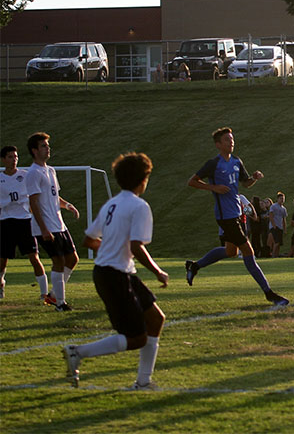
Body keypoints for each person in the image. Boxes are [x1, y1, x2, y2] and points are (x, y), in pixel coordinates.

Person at [62, 152, 169, 389]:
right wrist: (158, 271)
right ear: (143, 180)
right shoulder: (139, 206)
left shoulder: (112, 203)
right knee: (136, 337)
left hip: (118, 272)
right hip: (114, 275)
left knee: (155, 319)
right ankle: (77, 352)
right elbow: (136, 246)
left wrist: (111, 245)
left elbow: (89, 240)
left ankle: (143, 382)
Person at [184, 128, 289, 307]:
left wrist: (254, 178)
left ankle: (194, 266)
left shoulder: (236, 161)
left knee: (231, 252)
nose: (231, 142)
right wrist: (214, 188)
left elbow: (245, 183)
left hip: (237, 213)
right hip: (225, 216)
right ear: (218, 144)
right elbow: (192, 181)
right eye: (227, 140)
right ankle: (270, 294)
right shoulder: (213, 163)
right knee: (249, 252)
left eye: (232, 139)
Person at [25, 132, 80, 311]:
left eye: (47, 145)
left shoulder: (50, 170)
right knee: (58, 261)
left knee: (72, 259)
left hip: (59, 223)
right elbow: (33, 202)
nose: (47, 148)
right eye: (43, 146)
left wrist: (68, 205)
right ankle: (60, 303)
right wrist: (43, 229)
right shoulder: (33, 173)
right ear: (34, 151)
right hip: (45, 226)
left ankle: (54, 295)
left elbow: (55, 196)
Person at [0, 145, 53, 304]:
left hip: (24, 221)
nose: (14, 160)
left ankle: (44, 293)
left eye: (16, 157)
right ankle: (1, 285)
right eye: (10, 157)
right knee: (2, 259)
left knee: (33, 257)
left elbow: (38, 196)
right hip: (5, 221)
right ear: (3, 159)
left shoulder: (25, 176)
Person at [267, 192, 287, 258]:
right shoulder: (274, 206)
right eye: (281, 198)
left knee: (279, 243)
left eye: (283, 199)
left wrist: (284, 228)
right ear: (277, 199)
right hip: (274, 227)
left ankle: (276, 255)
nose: (282, 200)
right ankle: (273, 254)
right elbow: (271, 216)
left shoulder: (283, 209)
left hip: (280, 226)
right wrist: (274, 225)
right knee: (276, 242)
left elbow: (284, 219)